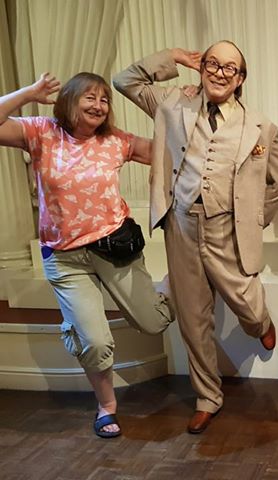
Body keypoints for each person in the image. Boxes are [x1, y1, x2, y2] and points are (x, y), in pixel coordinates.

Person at [113, 42, 278, 434]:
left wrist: (254, 219)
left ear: (240, 79)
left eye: (230, 68)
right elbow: (125, 80)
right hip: (181, 223)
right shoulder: (172, 104)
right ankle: (208, 397)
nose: (219, 73)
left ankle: (260, 323)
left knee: (247, 302)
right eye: (213, 63)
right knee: (193, 318)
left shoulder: (260, 126)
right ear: (202, 68)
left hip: (228, 226)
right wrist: (173, 57)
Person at [0, 72, 175, 438]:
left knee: (154, 323)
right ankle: (106, 406)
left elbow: (171, 153)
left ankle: (172, 285)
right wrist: (29, 93)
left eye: (104, 99)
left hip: (114, 248)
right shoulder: (42, 132)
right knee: (95, 342)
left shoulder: (116, 141)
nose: (99, 105)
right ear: (70, 100)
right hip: (65, 258)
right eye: (90, 97)